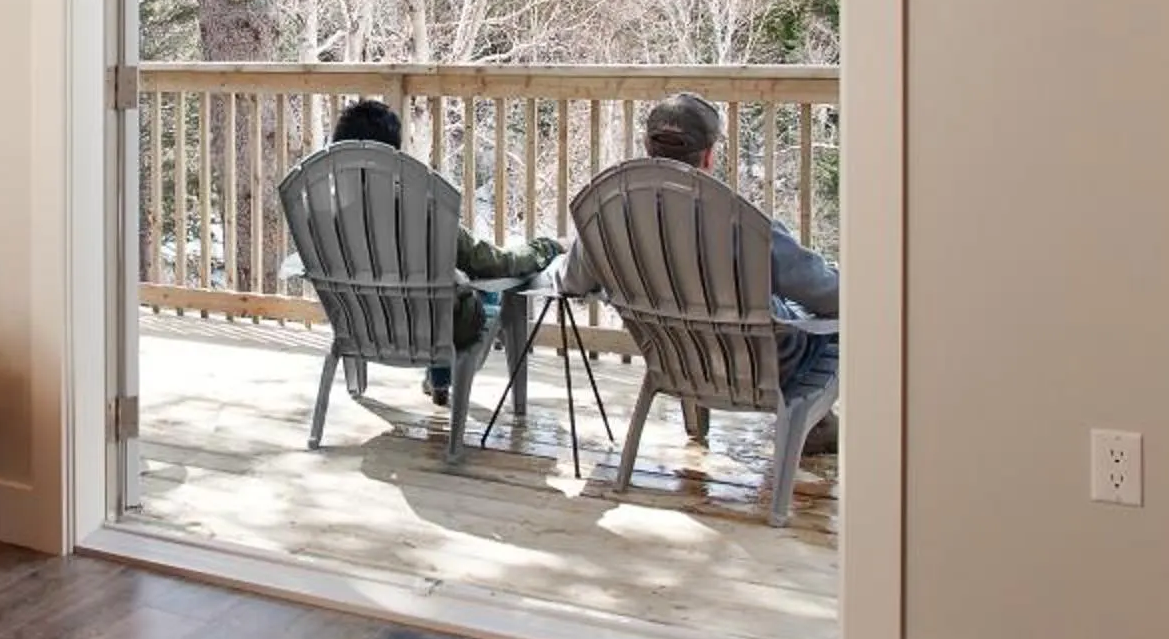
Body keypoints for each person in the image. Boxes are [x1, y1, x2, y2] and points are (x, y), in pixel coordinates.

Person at [562, 90, 839, 436]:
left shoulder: (610, 214)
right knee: (830, 321)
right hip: (765, 366)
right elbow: (830, 295)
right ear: (708, 156)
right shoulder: (738, 221)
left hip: (675, 359)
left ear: (648, 147)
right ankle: (815, 427)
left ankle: (803, 427)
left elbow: (572, 282)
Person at [328, 98, 558, 406]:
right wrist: (546, 247)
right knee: (481, 291)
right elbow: (491, 262)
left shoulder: (326, 213)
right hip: (432, 328)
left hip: (361, 325)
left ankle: (437, 380)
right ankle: (450, 382)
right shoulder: (418, 208)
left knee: (441, 282)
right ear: (392, 156)